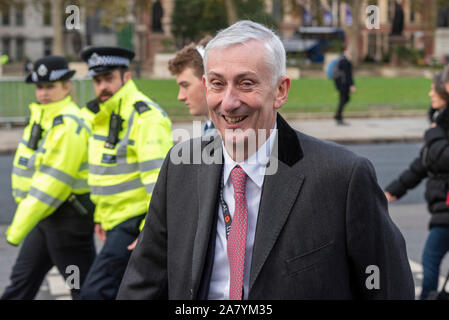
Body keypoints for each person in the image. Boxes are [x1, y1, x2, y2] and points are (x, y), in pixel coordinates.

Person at [117, 20, 414, 300]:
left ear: (280, 91)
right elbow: (144, 282)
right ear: (206, 87)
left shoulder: (343, 178)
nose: (229, 102)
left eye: (246, 84)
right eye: (218, 84)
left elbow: (388, 288)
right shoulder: (181, 166)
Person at [79, 46, 173, 300]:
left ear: (127, 77)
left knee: (93, 294)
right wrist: (100, 215)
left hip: (135, 224)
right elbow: (104, 173)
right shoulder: (104, 114)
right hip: (114, 222)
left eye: (109, 78)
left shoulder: (145, 117)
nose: (102, 87)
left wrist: (148, 230)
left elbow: (159, 182)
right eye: (97, 81)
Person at [2, 56, 95, 300]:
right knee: (21, 283)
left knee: (84, 289)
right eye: (40, 86)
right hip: (45, 216)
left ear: (67, 87)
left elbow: (51, 184)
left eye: (50, 86)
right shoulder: (43, 117)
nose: (43, 93)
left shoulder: (68, 124)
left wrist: (16, 230)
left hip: (68, 219)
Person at [385, 72, 449, 300]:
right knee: (431, 259)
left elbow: (443, 157)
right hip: (442, 207)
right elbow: (423, 163)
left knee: (430, 258)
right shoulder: (440, 120)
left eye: (434, 88)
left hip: (447, 209)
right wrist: (394, 189)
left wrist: (433, 134)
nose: (430, 93)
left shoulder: (439, 127)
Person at [168, 36, 216, 136]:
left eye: (185, 85)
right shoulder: (209, 130)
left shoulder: (228, 140)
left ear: (209, 81)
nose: (180, 97)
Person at [333, 47, 356, 125]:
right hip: (344, 84)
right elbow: (348, 74)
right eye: (348, 50)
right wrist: (351, 85)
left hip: (341, 83)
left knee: (344, 99)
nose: (350, 51)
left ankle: (338, 115)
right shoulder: (344, 60)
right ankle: (338, 116)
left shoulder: (340, 59)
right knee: (344, 99)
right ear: (345, 51)